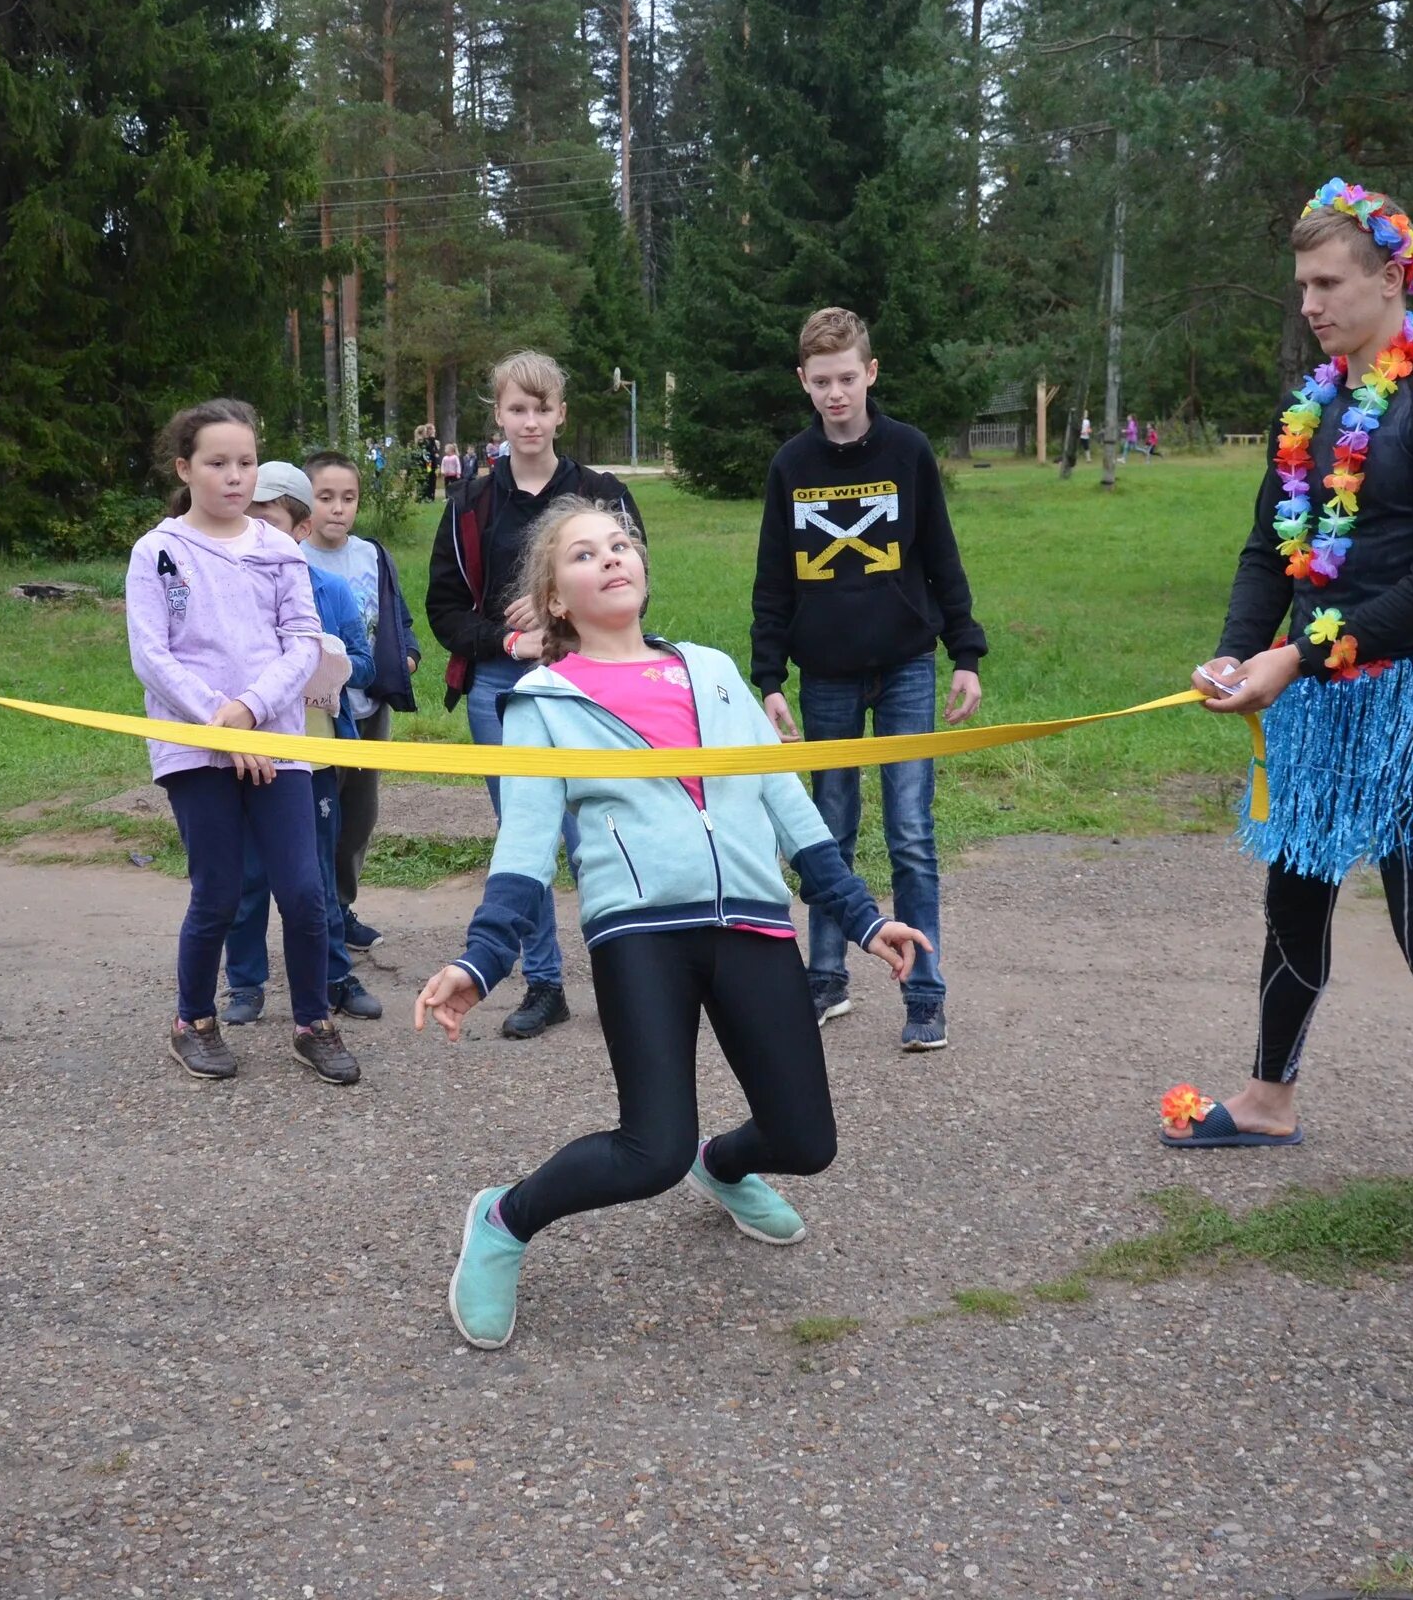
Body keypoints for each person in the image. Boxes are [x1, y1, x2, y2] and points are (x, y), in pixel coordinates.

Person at [414, 500, 929, 1349]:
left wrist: (867, 920)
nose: (611, 559)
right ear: (554, 597)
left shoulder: (714, 669)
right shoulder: (543, 702)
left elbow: (786, 803)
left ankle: (722, 1166)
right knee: (649, 1150)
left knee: (806, 1141)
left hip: (755, 923)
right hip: (641, 934)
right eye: (584, 554)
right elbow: (527, 847)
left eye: (620, 545)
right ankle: (503, 1221)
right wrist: (481, 961)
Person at [1172, 180, 1413, 1283]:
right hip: (1317, 711)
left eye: (1328, 284)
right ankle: (1269, 1098)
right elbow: (1266, 555)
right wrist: (1242, 651)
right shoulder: (1310, 407)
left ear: (1393, 279)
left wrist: (1294, 657)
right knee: (1292, 901)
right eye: (1302, 287)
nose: (1310, 305)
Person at [750, 307, 985, 1052]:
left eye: (847, 378)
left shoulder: (908, 453)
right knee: (828, 831)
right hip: (824, 675)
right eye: (821, 382)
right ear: (804, 383)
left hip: (908, 667)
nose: (836, 393)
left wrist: (966, 655)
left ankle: (924, 990)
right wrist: (769, 675)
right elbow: (773, 580)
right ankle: (825, 977)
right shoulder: (792, 466)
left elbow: (942, 558)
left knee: (912, 833)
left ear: (870, 372)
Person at [129, 402, 358, 1085]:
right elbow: (153, 654)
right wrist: (220, 726)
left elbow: (303, 643)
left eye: (246, 463)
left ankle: (314, 1023)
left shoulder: (279, 549)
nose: (235, 477)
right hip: (195, 749)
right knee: (219, 891)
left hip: (277, 741)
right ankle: (193, 1021)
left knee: (304, 890)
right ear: (185, 468)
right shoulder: (159, 552)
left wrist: (252, 713)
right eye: (217, 463)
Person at [426, 350, 646, 1039]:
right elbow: (443, 610)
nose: (530, 421)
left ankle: (630, 978)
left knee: (599, 834)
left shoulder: (600, 494)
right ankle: (544, 983)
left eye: (542, 408)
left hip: (588, 678)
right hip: (502, 684)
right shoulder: (471, 503)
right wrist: (505, 640)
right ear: (498, 415)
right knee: (524, 837)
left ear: (561, 415)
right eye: (516, 409)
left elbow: (631, 580)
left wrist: (556, 616)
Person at [218, 461, 383, 1037]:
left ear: (300, 529)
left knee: (314, 877)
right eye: (247, 518)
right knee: (247, 875)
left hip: (312, 759)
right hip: (243, 754)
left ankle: (334, 979)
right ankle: (245, 983)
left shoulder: (330, 590)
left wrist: (330, 659)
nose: (254, 530)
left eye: (267, 519)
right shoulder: (227, 587)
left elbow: (365, 662)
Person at [299, 449, 421, 952]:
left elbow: (398, 618)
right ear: (305, 503)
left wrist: (407, 654)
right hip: (320, 715)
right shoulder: (293, 558)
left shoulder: (373, 554)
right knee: (318, 818)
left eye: (348, 498)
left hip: (371, 708)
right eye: (325, 498)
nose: (337, 509)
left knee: (360, 816)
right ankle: (314, 917)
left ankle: (342, 908)